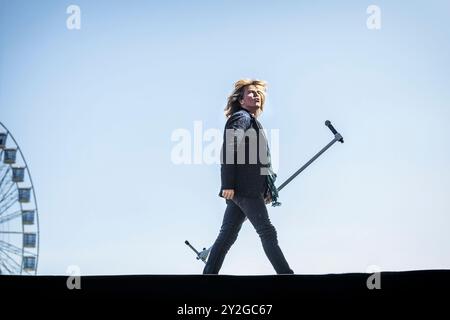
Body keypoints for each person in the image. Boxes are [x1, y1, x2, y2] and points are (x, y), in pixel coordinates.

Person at [203, 79, 294, 275]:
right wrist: (227, 184)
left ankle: (208, 277)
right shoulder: (241, 117)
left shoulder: (251, 121)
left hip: (246, 189)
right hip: (244, 189)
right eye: (251, 93)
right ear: (241, 100)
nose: (256, 96)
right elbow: (228, 148)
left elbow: (257, 160)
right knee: (267, 231)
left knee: (227, 236)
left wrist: (266, 190)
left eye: (258, 93)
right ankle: (287, 276)